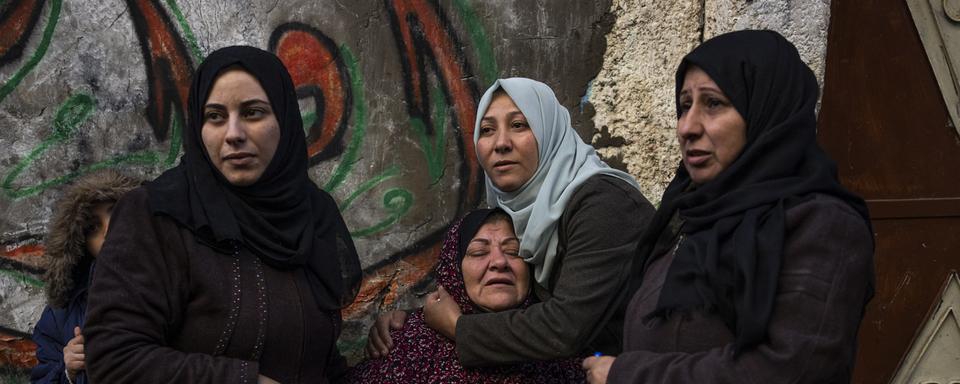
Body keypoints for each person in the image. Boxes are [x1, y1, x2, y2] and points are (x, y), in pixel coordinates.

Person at [581, 30, 875, 383]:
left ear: (765, 109)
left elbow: (793, 368)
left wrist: (627, 374)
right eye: (684, 105)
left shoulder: (822, 225)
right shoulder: (692, 218)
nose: (687, 127)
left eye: (714, 103)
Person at [83, 46, 362, 383]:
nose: (233, 134)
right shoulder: (155, 215)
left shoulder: (312, 214)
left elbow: (320, 354)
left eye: (253, 113)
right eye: (215, 116)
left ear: (285, 120)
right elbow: (113, 358)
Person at [369, 78, 656, 366]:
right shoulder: (526, 214)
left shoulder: (602, 203)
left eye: (519, 125)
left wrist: (457, 327)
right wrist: (414, 321)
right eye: (487, 130)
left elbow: (564, 327)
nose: (501, 144)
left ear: (549, 132)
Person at [347, 208, 584, 383]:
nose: (499, 262)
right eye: (479, 252)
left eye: (514, 251)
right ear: (453, 269)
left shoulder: (557, 342)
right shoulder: (405, 347)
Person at [30, 170, 140, 384]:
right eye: (92, 227)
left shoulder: (178, 285)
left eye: (116, 213)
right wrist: (69, 371)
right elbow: (42, 378)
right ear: (81, 243)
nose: (109, 230)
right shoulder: (61, 314)